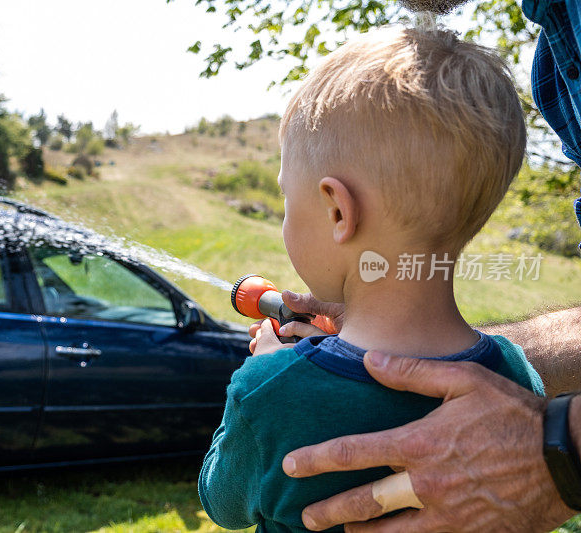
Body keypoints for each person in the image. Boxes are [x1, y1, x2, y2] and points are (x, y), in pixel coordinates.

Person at [199, 25, 559, 532]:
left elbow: (223, 504)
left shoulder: (268, 390)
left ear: (337, 212)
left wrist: (261, 375)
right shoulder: (516, 382)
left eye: (286, 197)